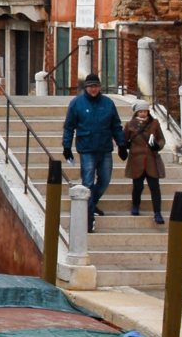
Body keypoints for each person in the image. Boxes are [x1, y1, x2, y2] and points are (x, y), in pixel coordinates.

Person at [61, 74, 128, 230]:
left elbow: (116, 126)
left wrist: (122, 144)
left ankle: (89, 203)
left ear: (100, 87)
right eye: (91, 86)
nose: (93, 89)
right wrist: (66, 146)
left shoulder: (108, 103)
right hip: (86, 148)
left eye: (96, 86)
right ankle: (88, 218)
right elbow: (69, 127)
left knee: (104, 180)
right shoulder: (76, 103)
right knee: (88, 183)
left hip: (105, 148)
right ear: (86, 88)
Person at [125, 106, 166, 225]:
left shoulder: (154, 123)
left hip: (151, 159)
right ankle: (135, 205)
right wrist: (126, 147)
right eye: (141, 111)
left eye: (145, 111)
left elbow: (161, 139)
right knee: (137, 186)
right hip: (136, 159)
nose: (143, 114)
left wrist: (157, 146)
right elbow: (125, 140)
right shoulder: (130, 125)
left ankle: (157, 212)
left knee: (155, 187)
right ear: (136, 112)